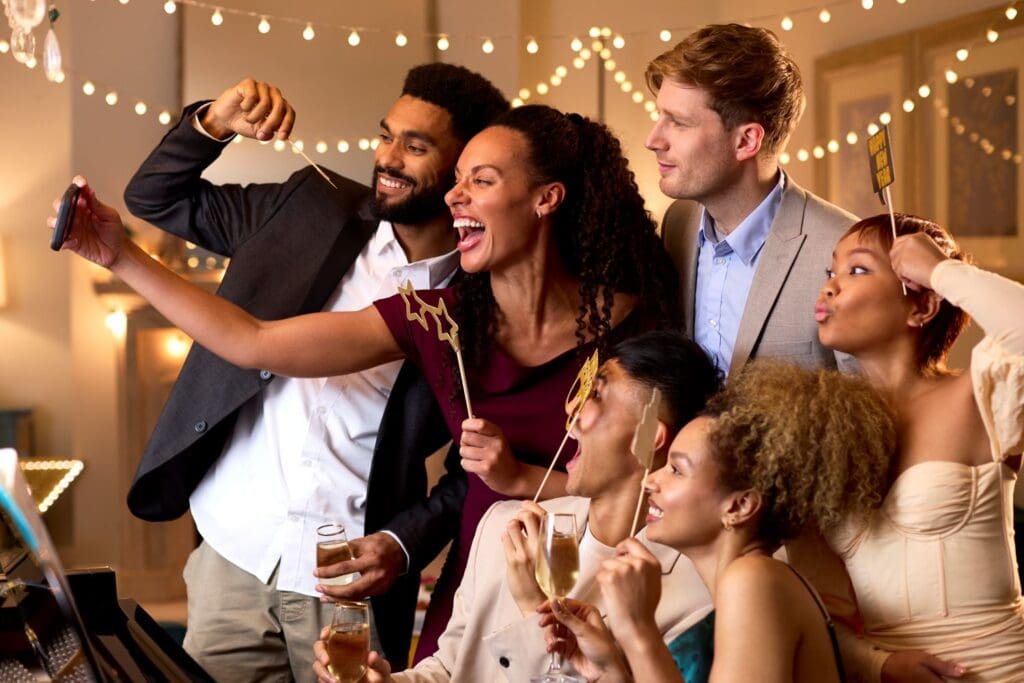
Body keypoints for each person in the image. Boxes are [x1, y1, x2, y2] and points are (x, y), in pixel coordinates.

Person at [52, 104, 679, 665]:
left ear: (546, 199)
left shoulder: (632, 321)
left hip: (595, 582)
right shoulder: (437, 317)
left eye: (480, 181)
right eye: (458, 179)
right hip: (477, 588)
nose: (455, 197)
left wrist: (517, 480)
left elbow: (651, 487)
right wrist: (119, 257)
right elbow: (254, 342)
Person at [115, 64, 509, 679]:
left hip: (351, 582)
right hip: (234, 553)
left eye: (415, 145)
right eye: (386, 135)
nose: (388, 158)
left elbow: (475, 467)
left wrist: (403, 544)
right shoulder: (309, 205)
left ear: (463, 170)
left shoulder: (484, 300)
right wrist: (214, 123)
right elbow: (153, 198)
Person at [311, 330, 720, 682]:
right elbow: (448, 667)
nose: (572, 416)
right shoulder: (503, 526)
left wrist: (532, 609)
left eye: (596, 395)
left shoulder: (692, 598)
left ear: (651, 439)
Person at [545, 361, 896, 682]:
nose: (651, 480)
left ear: (740, 506)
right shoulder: (745, 585)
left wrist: (638, 630)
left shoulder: (754, 581)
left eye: (677, 469)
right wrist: (609, 666)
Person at [795, 214, 1024, 681]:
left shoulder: (976, 394)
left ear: (921, 308)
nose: (831, 287)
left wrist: (941, 270)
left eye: (858, 270)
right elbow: (813, 601)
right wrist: (878, 663)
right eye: (830, 272)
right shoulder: (821, 433)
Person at [646, 23, 856, 376]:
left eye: (678, 123)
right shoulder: (677, 222)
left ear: (746, 141)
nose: (653, 139)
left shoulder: (844, 247)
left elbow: (869, 411)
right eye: (659, 117)